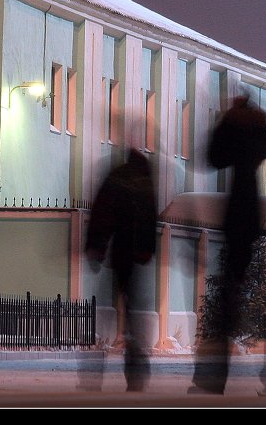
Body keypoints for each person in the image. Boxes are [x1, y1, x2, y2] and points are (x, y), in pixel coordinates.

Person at [190, 93, 266, 394]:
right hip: (248, 218)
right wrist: (256, 124)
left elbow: (212, 157)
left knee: (228, 302)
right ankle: (216, 375)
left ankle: (212, 377)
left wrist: (228, 122)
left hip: (240, 218)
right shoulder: (256, 142)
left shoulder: (241, 140)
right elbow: (265, 146)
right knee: (232, 299)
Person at [84, 148, 157, 392]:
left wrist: (96, 245)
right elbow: (150, 221)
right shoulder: (145, 184)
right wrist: (147, 250)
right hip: (136, 257)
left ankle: (93, 375)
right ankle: (136, 371)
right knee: (133, 314)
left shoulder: (119, 177)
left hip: (120, 253)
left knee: (110, 313)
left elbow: (103, 211)